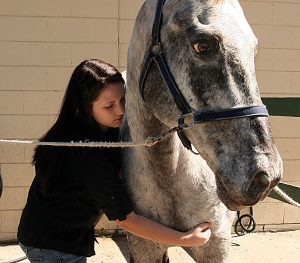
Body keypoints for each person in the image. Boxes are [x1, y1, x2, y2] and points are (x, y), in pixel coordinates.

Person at [18, 59, 211, 262]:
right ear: (85, 106)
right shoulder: (88, 154)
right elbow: (127, 220)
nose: (120, 110)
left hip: (52, 234)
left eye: (123, 100)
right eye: (109, 105)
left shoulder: (87, 129)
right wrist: (185, 238)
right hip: (52, 246)